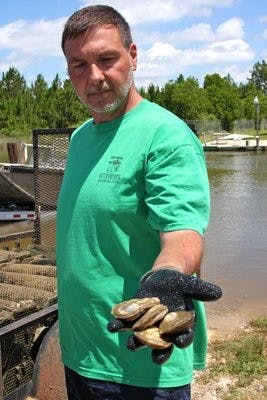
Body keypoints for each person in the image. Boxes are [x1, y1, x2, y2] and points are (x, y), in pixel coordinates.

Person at [56, 5, 222, 400]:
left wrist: (165, 274)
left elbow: (183, 231)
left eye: (106, 59)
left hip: (141, 366)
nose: (93, 77)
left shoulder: (165, 135)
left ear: (133, 55)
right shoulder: (80, 138)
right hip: (81, 351)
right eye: (78, 65)